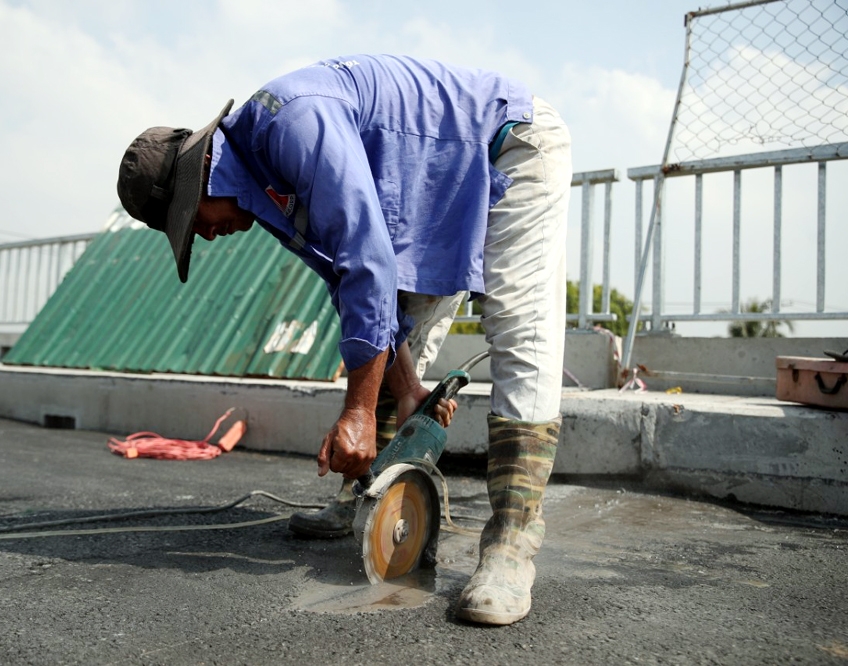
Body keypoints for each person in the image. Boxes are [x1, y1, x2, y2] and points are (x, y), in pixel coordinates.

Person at [117, 54, 571, 626]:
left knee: (518, 324)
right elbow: (349, 281)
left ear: (202, 173)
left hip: (509, 140)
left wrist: (357, 410)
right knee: (389, 318)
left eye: (192, 219)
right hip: (441, 174)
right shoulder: (263, 181)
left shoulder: (292, 126)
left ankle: (511, 543)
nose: (203, 234)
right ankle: (371, 495)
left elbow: (367, 259)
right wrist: (406, 387)